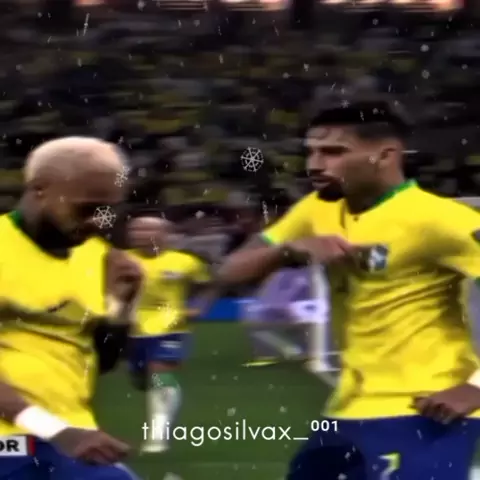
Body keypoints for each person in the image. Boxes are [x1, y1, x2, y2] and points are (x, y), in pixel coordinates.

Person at [217, 98, 480, 479]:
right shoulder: (316, 209)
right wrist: (289, 251)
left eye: (334, 152)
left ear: (385, 155)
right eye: (311, 151)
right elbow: (229, 272)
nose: (314, 164)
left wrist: (475, 388)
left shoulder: (437, 219)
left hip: (424, 406)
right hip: (345, 410)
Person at [0, 137, 143, 479]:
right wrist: (54, 430)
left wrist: (120, 307)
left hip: (70, 437)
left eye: (107, 210)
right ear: (40, 189)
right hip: (11, 443)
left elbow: (100, 363)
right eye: (86, 208)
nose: (98, 222)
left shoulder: (99, 257)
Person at [125, 214, 211, 453]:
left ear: (164, 234)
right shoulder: (120, 260)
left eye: (146, 230)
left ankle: (157, 436)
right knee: (142, 379)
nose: (139, 235)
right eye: (135, 230)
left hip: (171, 328)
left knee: (162, 376)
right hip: (131, 329)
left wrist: (200, 307)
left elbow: (208, 285)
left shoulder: (186, 262)